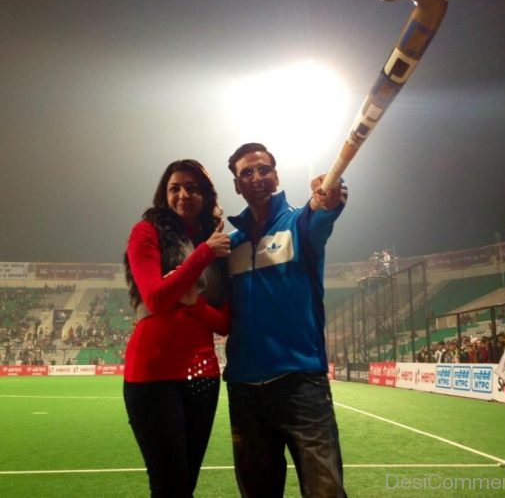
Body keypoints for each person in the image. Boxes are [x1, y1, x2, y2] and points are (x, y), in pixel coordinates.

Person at [223, 142, 348, 498]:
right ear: (236, 185)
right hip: (245, 391)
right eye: (246, 172)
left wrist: (332, 195)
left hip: (301, 385)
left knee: (326, 491)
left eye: (263, 169)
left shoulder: (299, 223)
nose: (256, 177)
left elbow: (324, 208)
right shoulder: (230, 245)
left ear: (276, 175)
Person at [123, 159, 231, 497]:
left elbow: (225, 322)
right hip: (152, 374)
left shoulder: (218, 245)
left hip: (203, 376)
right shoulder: (147, 232)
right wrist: (201, 256)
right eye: (175, 188)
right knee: (169, 486)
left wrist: (192, 301)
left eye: (193, 188)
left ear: (206, 195)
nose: (184, 194)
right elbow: (154, 298)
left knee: (185, 486)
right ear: (164, 194)